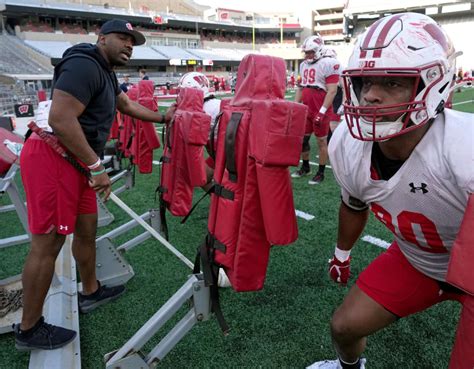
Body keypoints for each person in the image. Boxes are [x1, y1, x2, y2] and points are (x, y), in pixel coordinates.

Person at [308, 13, 473, 369]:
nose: (369, 95)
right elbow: (353, 204)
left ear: (435, 84)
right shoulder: (347, 146)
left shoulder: (465, 149)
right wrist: (341, 253)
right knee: (344, 326)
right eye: (365, 82)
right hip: (420, 261)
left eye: (392, 83)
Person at [14, 19, 175, 351]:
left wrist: (163, 119)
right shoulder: (85, 63)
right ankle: (29, 328)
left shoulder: (105, 70)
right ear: (102, 39)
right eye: (122, 38)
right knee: (49, 243)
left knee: (87, 228)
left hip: (74, 161)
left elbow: (127, 105)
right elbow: (61, 119)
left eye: (133, 42)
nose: (129, 45)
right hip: (54, 156)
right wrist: (95, 165)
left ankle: (90, 290)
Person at [291, 36, 341, 185]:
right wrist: (295, 106)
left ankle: (321, 172)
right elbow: (301, 88)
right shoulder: (303, 65)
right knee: (303, 140)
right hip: (307, 106)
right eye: (305, 52)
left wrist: (322, 111)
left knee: (321, 141)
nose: (307, 56)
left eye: (310, 52)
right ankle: (305, 167)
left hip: (320, 106)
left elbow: (332, 91)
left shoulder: (328, 63)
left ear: (319, 50)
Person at [178, 72, 221, 189]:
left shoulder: (201, 112)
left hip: (228, 159)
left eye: (182, 91)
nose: (180, 96)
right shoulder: (216, 104)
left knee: (200, 177)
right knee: (203, 178)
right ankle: (220, 203)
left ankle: (225, 204)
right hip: (223, 155)